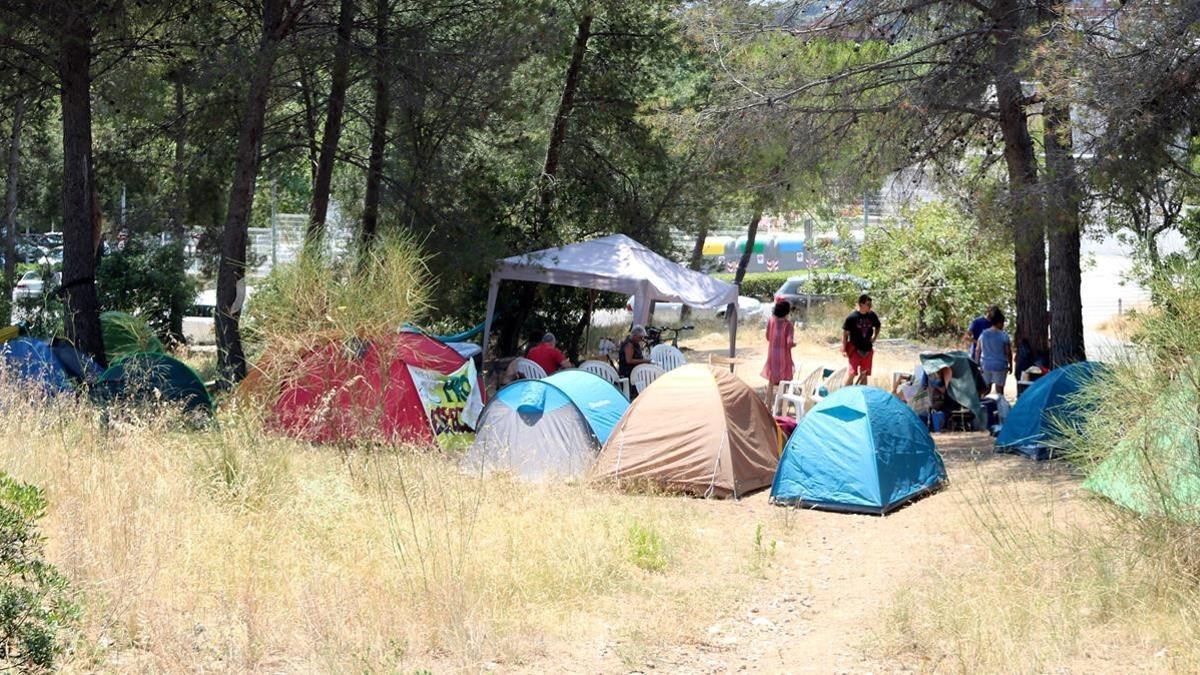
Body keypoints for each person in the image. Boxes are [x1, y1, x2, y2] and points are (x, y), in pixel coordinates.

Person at [842, 294, 881, 386]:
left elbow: (878, 326)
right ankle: (845, 394)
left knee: (864, 374)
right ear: (861, 304)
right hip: (855, 349)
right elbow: (845, 335)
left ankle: (862, 397)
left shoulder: (872, 315)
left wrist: (874, 337)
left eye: (870, 305)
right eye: (868, 304)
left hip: (867, 349)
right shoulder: (852, 317)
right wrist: (844, 349)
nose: (870, 307)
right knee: (852, 373)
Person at [762, 300, 795, 405]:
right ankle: (781, 406)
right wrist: (794, 344)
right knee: (785, 381)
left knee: (771, 382)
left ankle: (768, 406)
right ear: (786, 312)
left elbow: (767, 337)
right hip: (784, 357)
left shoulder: (771, 321)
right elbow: (789, 343)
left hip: (772, 355)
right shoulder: (788, 325)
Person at [977, 314, 1013, 396]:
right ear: (999, 323)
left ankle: (983, 405)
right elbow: (1008, 352)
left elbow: (978, 350)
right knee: (999, 391)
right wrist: (1010, 365)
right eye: (1002, 323)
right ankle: (1000, 407)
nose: (1003, 325)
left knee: (986, 390)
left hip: (985, 365)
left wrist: (977, 364)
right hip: (1000, 365)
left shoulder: (983, 334)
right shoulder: (1003, 335)